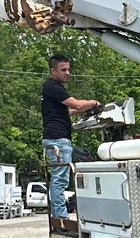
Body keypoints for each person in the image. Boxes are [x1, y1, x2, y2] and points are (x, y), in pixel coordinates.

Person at [41, 53, 98, 221]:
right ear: (53, 71)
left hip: (53, 137)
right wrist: (94, 103)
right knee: (60, 181)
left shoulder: (51, 88)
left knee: (59, 179)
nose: (67, 73)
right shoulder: (53, 86)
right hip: (58, 139)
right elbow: (78, 104)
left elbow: (67, 111)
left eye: (69, 69)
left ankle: (59, 215)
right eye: (63, 69)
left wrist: (79, 110)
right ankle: (61, 218)